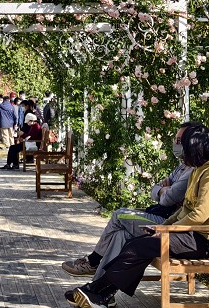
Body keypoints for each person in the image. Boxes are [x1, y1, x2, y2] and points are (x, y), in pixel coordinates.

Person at [68, 123, 209, 308]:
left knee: (140, 247)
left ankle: (97, 291)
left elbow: (200, 214)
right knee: (135, 242)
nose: (183, 155)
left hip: (201, 240)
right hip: (189, 234)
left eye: (186, 148)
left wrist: (167, 231)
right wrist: (163, 226)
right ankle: (101, 295)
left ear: (195, 147)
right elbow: (185, 209)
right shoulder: (202, 170)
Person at [61, 122, 200, 289]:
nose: (176, 145)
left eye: (180, 141)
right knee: (120, 234)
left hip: (165, 222)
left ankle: (93, 261)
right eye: (176, 140)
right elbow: (154, 191)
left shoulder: (192, 171)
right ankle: (101, 288)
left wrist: (163, 190)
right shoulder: (181, 167)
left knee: (119, 215)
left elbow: (167, 199)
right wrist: (163, 189)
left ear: (191, 143)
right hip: (161, 216)